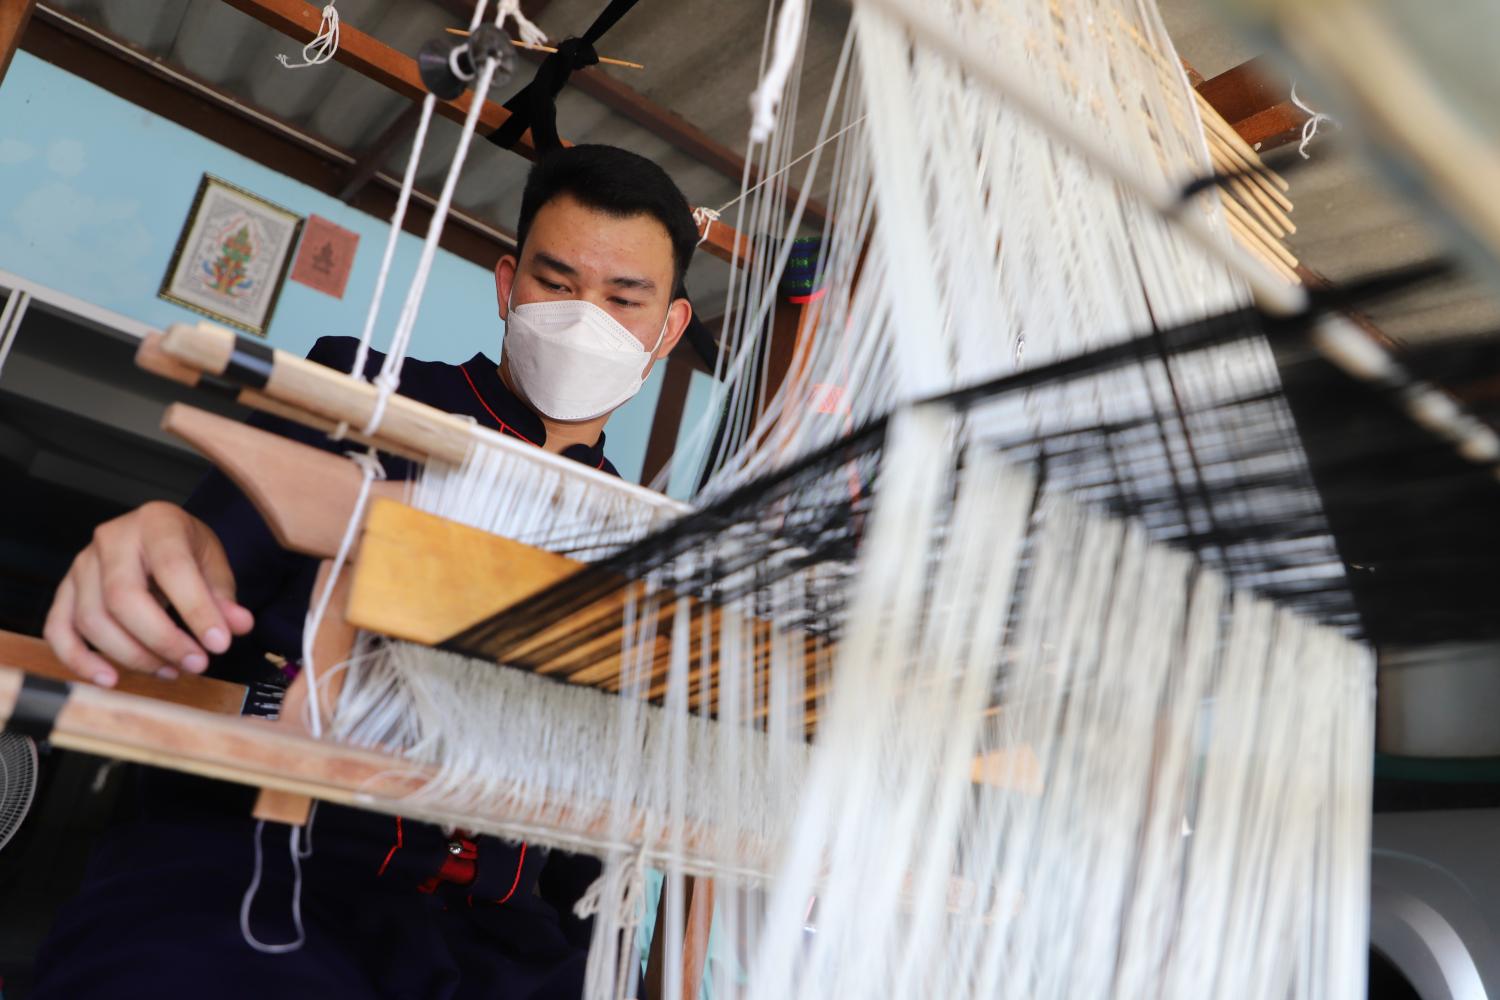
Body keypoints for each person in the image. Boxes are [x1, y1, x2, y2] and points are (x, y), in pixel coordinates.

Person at [32, 144, 698, 999]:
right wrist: (166, 551)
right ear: (507, 285)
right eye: (556, 283)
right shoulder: (360, 395)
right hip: (262, 874)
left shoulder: (646, 546)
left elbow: (588, 850)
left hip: (501, 936)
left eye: (622, 299)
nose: (583, 319)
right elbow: (207, 571)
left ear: (668, 328)